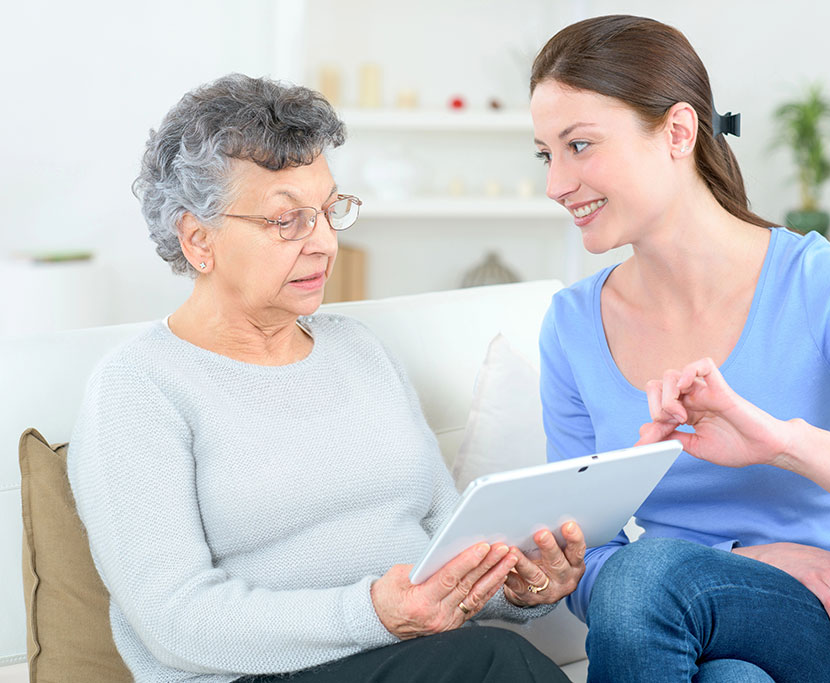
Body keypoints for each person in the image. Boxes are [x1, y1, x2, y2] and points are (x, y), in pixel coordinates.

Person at [529, 15, 830, 683]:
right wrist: (748, 562)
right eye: (545, 153)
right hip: (685, 639)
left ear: (677, 132)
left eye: (579, 145)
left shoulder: (820, 283)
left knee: (647, 576)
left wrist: (784, 441)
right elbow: (589, 562)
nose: (555, 183)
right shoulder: (571, 326)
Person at [67, 74, 583, 683]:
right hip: (254, 676)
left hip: (413, 656)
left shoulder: (359, 350)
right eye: (286, 220)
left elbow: (444, 543)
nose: (323, 244)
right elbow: (175, 622)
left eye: (329, 210)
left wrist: (518, 588)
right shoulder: (138, 388)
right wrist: (373, 613)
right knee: (491, 661)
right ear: (198, 239)